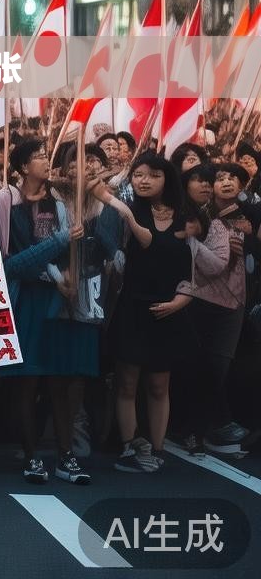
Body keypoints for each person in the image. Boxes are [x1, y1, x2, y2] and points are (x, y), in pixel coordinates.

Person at [0, 139, 94, 486]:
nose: (45, 161)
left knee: (58, 380)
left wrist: (65, 274)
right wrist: (55, 262)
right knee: (27, 380)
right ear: (21, 167)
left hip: (54, 302)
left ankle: (65, 455)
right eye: (37, 157)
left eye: (46, 155)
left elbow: (68, 253)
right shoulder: (6, 200)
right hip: (23, 300)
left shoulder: (58, 203)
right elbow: (6, 262)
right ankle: (31, 455)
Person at [89, 153, 193, 473]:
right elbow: (135, 241)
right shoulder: (126, 212)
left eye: (153, 175)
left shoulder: (186, 217)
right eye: (138, 175)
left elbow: (196, 270)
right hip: (131, 305)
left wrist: (180, 302)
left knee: (159, 385)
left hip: (169, 309)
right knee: (126, 383)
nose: (144, 180)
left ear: (167, 179)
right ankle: (129, 446)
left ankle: (158, 449)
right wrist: (114, 203)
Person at [178, 163, 250, 456]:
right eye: (218, 178)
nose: (222, 183)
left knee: (218, 369)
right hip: (198, 299)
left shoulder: (249, 216)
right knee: (197, 368)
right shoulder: (192, 217)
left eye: (232, 178)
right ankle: (192, 430)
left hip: (233, 303)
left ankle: (205, 427)